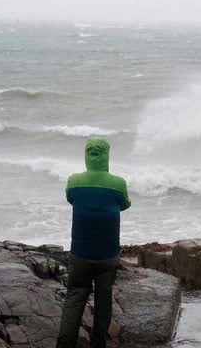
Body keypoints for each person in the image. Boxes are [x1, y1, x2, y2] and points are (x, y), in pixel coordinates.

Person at [57, 136, 131, 348]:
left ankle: (64, 344)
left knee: (74, 298)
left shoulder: (74, 181)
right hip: (108, 255)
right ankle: (98, 344)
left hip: (80, 254)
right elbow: (124, 204)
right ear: (107, 155)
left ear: (87, 156)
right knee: (103, 300)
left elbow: (71, 199)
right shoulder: (118, 184)